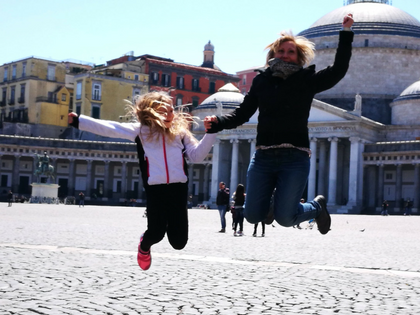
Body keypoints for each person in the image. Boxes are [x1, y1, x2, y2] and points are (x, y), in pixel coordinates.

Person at [204, 14, 354, 234]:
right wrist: (217, 122)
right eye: (281, 51)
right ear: (272, 54)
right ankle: (274, 203)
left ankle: (316, 207)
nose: (285, 55)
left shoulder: (306, 80)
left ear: (298, 56)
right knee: (252, 215)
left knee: (286, 218)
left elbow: (338, 70)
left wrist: (346, 33)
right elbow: (243, 113)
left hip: (294, 157)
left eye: (290, 51)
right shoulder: (261, 81)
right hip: (263, 156)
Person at [68, 91, 216, 270]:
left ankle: (168, 228)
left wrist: (211, 132)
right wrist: (79, 121)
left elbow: (197, 156)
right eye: (164, 112)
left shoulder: (180, 133)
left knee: (179, 242)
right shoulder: (140, 132)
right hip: (156, 190)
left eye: (171, 111)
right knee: (156, 233)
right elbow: (110, 128)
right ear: (151, 113)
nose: (169, 115)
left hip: (178, 190)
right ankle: (144, 247)